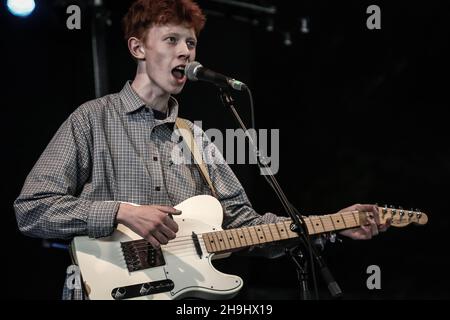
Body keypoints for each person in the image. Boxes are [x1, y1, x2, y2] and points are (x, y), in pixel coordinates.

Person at [13, 0, 390, 300]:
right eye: (172, 40)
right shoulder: (92, 119)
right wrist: (122, 212)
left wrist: (332, 224)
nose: (185, 52)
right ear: (137, 47)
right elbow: (32, 209)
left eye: (190, 43)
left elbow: (245, 225)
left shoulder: (196, 138)